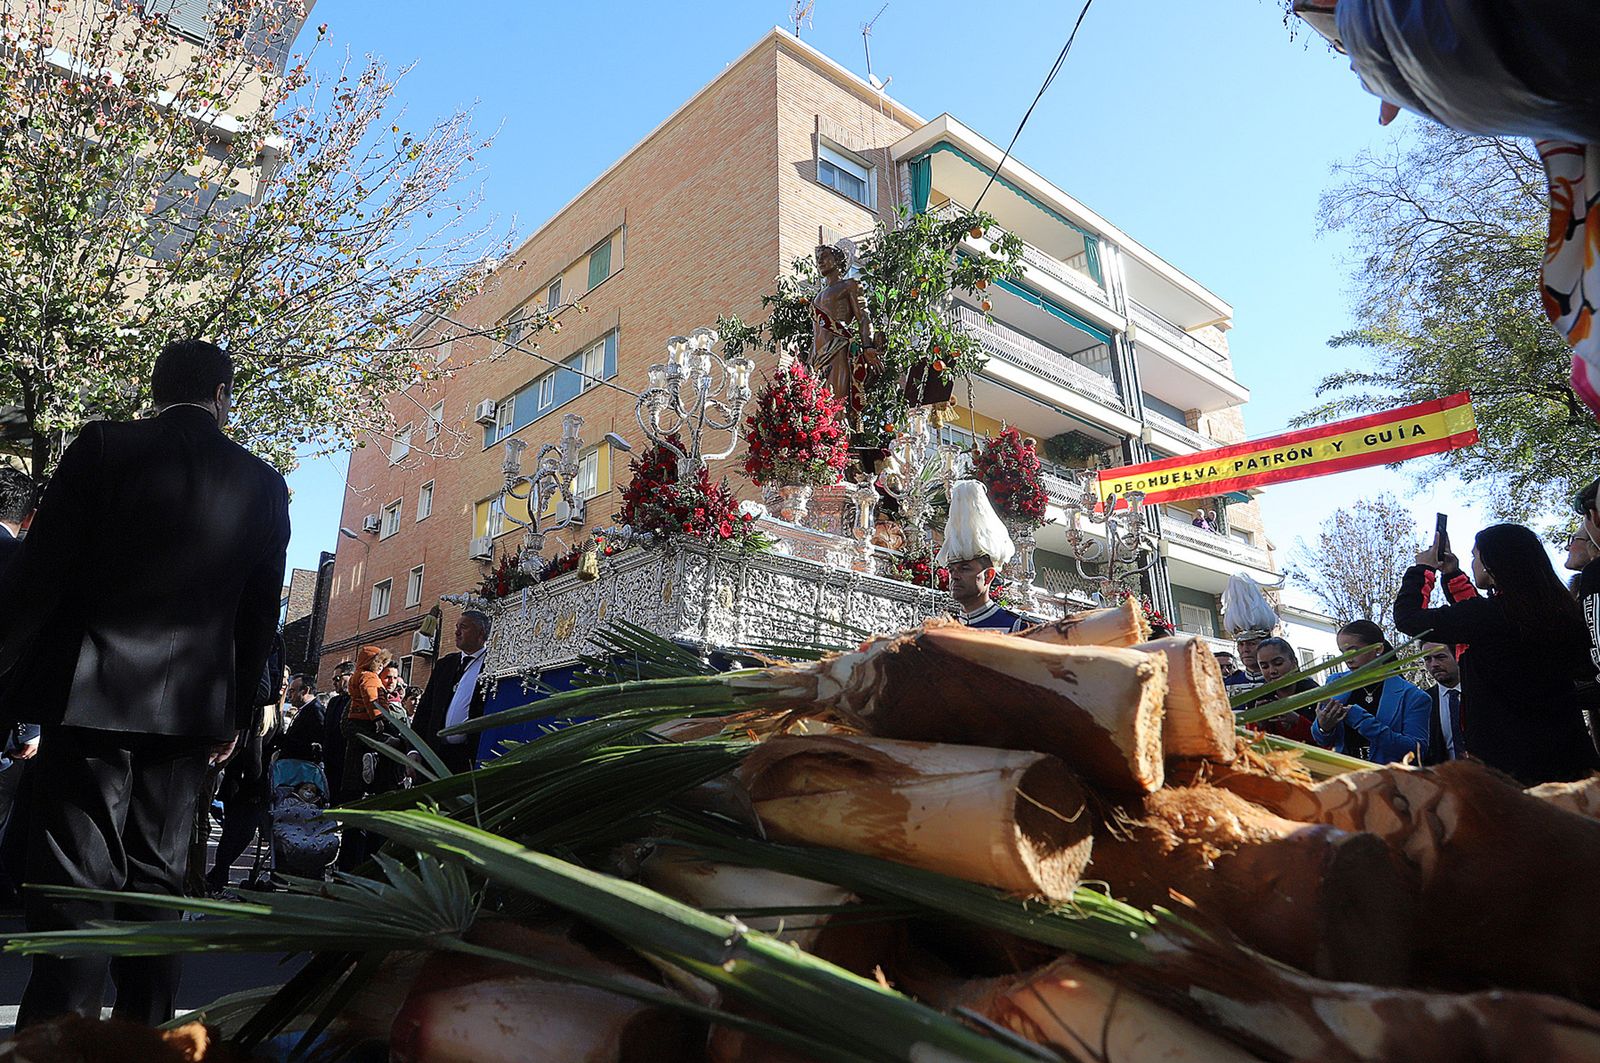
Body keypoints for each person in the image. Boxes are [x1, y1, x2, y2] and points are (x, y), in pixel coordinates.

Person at [0, 339, 288, 1027]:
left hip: (90, 692)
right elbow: (259, 614)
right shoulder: (263, 484)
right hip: (192, 711)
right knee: (159, 879)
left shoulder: (102, 447)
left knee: (77, 877)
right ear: (223, 396)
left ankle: (59, 1037)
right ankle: (145, 1032)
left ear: (155, 390)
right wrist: (237, 714)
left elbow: (39, 575)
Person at [1396, 523, 1598, 784]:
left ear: (1492, 564)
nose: (1472, 563)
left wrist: (1423, 570)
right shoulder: (1557, 610)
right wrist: (1452, 574)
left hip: (1513, 770)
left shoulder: (1491, 616)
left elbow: (1409, 619)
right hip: (1569, 756)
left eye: (1474, 556)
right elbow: (1478, 621)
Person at [1310, 619, 1431, 764]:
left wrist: (1362, 721)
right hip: (1346, 775)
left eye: (1353, 651)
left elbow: (1417, 751)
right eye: (1343, 653)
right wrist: (1324, 727)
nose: (1347, 660)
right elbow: (1321, 739)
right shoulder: (1335, 684)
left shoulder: (1412, 696)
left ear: (1378, 649)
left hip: (1389, 779)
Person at [936, 480, 1037, 633]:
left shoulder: (1016, 627)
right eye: (951, 570)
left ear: (989, 575)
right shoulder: (943, 631)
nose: (954, 576)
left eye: (964, 569)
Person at [413, 611, 491, 776]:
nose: (456, 632)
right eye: (457, 627)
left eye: (464, 627)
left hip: (469, 758)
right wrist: (414, 750)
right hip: (435, 756)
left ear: (481, 633)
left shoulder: (493, 664)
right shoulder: (445, 665)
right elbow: (424, 711)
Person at [1238, 637, 1318, 743]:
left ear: (1294, 662)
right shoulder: (1258, 699)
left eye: (1278, 663)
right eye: (1265, 666)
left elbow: (1329, 740)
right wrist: (1260, 723)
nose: (1272, 671)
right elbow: (1250, 743)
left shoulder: (1315, 695)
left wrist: (1297, 721)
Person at [1419, 642, 1465, 766]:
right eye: (1428, 659)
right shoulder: (1423, 701)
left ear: (1457, 656)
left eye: (1441, 657)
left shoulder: (1481, 693)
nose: (1434, 664)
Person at [321, 659, 355, 798]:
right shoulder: (334, 701)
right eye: (333, 679)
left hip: (346, 761)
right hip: (330, 759)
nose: (334, 682)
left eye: (338, 678)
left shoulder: (356, 701)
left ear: (351, 676)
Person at [278, 674, 327, 764]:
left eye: (292, 691)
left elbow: (316, 743)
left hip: (303, 768)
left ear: (305, 691)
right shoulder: (305, 709)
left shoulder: (315, 711)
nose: (289, 695)